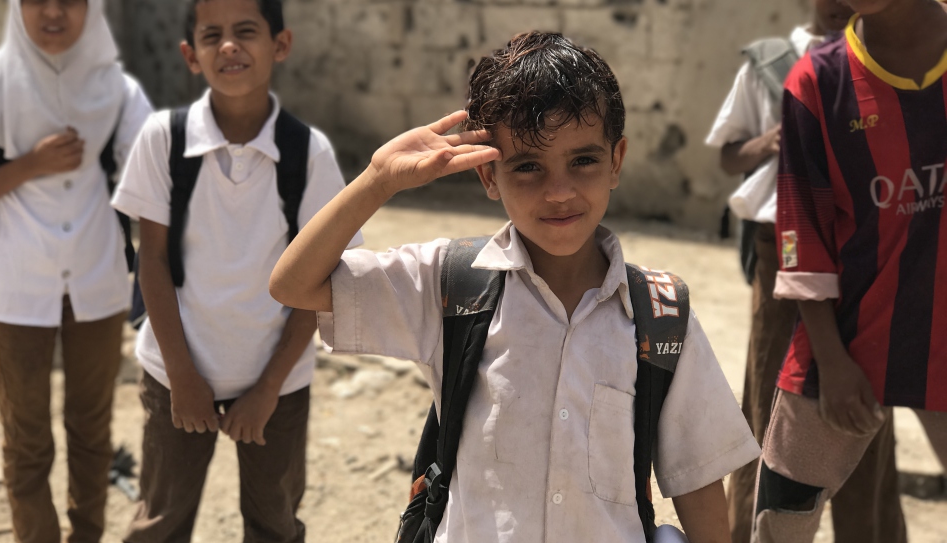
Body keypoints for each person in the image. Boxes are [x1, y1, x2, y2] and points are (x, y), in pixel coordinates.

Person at [270, 31, 760, 543]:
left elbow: (699, 482)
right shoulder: (449, 284)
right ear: (488, 176)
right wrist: (378, 179)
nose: (559, 191)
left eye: (583, 161)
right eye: (527, 166)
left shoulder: (660, 317)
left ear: (616, 161)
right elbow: (294, 284)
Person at [111, 0, 360, 539]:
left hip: (277, 380)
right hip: (174, 373)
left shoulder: (307, 153)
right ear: (190, 55)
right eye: (212, 35)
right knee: (159, 521)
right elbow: (151, 261)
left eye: (246, 31)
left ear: (281, 45)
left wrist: (268, 388)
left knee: (273, 521)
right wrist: (181, 376)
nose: (229, 45)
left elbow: (325, 277)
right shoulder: (164, 138)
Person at [704, 1, 906, 541]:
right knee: (773, 400)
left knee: (866, 406)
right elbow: (728, 154)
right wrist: (774, 139)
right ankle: (752, 528)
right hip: (782, 252)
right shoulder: (771, 62)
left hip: (865, 251)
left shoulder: (884, 56)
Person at [752, 0, 947, 540]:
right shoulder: (817, 81)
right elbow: (805, 235)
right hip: (846, 340)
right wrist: (832, 363)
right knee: (781, 515)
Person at [0, 0, 152, 541]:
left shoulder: (119, 92)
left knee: (91, 431)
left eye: (70, 1)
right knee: (26, 440)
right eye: (37, 0)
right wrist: (32, 164)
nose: (53, 12)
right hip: (15, 288)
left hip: (97, 283)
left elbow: (157, 179)